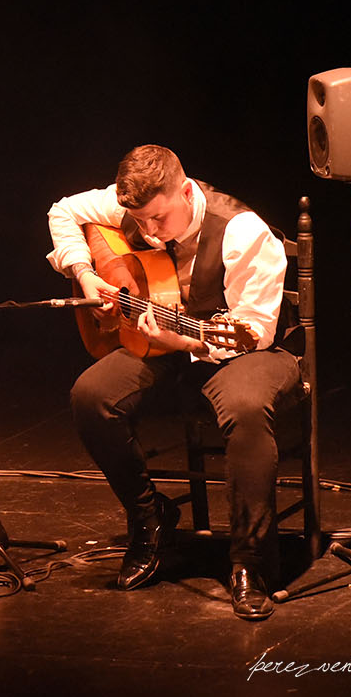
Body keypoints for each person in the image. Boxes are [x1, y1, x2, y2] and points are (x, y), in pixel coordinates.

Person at [47, 144, 300, 621]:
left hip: (243, 348)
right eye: (139, 221)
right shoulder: (136, 210)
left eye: (158, 219)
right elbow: (63, 211)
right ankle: (150, 519)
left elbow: (254, 330)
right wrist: (85, 273)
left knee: (245, 407)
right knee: (91, 395)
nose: (148, 231)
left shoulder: (242, 231)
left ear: (185, 191)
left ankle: (250, 563)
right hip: (163, 340)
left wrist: (185, 341)